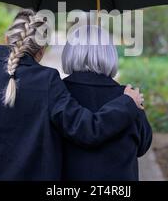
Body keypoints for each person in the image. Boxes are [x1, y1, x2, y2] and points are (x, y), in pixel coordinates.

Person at [0, 9, 144, 180]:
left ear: (7, 39)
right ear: (41, 50)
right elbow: (87, 130)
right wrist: (127, 102)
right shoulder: (46, 81)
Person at [61, 25, 152, 181]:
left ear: (69, 52)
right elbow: (143, 145)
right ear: (109, 53)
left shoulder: (58, 95)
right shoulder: (129, 98)